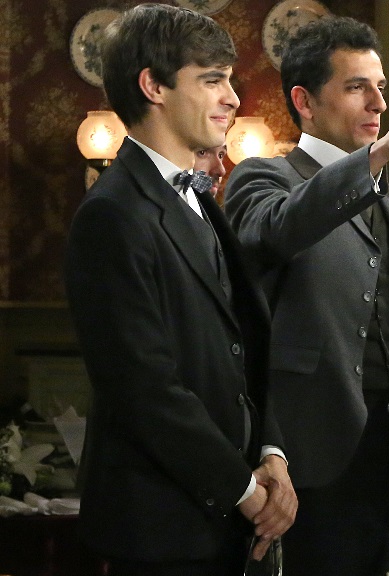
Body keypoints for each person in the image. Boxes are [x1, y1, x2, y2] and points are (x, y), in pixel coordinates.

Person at [223, 16, 389, 576]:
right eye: (357, 87)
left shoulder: (382, 199)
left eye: (380, 87)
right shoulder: (263, 178)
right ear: (304, 102)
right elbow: (278, 228)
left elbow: (375, 308)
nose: (379, 103)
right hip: (312, 458)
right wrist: (381, 153)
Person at [64, 4, 296, 574]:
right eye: (212, 80)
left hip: (226, 523)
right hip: (160, 528)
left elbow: (243, 345)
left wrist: (272, 451)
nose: (233, 98)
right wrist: (246, 491)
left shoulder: (199, 197)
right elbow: (142, 387)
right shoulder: (112, 213)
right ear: (153, 87)